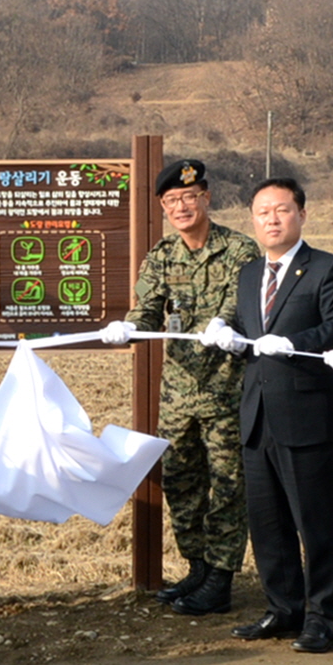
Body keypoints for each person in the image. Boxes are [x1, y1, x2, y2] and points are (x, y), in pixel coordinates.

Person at [203, 177, 333, 652]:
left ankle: (323, 617)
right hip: (257, 414)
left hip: (305, 415)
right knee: (267, 524)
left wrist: (294, 342)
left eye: (282, 210)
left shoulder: (327, 267)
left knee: (315, 524)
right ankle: (283, 609)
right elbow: (246, 326)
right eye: (262, 212)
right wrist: (225, 331)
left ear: (301, 215)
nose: (272, 219)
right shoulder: (249, 273)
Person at [98, 159, 252, 614]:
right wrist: (129, 327)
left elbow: (238, 304)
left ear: (206, 198)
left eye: (189, 197)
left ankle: (220, 578)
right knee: (181, 481)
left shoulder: (239, 250)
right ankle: (197, 568)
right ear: (164, 209)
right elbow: (147, 308)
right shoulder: (163, 255)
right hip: (179, 393)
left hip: (227, 389)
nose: (181, 207)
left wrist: (225, 323)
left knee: (228, 483)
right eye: (171, 201)